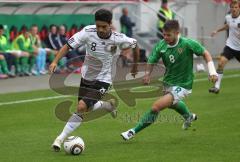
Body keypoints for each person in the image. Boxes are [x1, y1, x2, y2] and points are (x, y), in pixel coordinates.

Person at [50, 9, 140, 152]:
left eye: (104, 26)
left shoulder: (118, 38)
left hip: (104, 79)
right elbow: (67, 46)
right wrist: (55, 62)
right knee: (88, 108)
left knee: (81, 107)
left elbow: (135, 45)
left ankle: (59, 139)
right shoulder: (87, 32)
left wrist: (135, 66)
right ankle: (107, 106)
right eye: (98, 26)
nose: (100, 29)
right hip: (87, 77)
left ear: (110, 24)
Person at [121, 20, 218, 141]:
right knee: (173, 104)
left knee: (156, 107)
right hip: (168, 82)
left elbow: (206, 53)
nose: (165, 37)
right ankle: (188, 116)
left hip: (183, 84)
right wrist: (147, 75)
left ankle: (132, 131)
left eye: (168, 35)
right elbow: (151, 60)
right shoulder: (161, 45)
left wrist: (212, 71)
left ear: (177, 33)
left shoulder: (187, 43)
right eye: (164, 34)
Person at [209, 0, 240, 94]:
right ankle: (216, 87)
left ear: (239, 8)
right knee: (221, 63)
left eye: (236, 7)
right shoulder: (228, 17)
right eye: (232, 7)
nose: (234, 9)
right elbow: (228, 26)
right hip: (230, 46)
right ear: (230, 8)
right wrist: (216, 30)